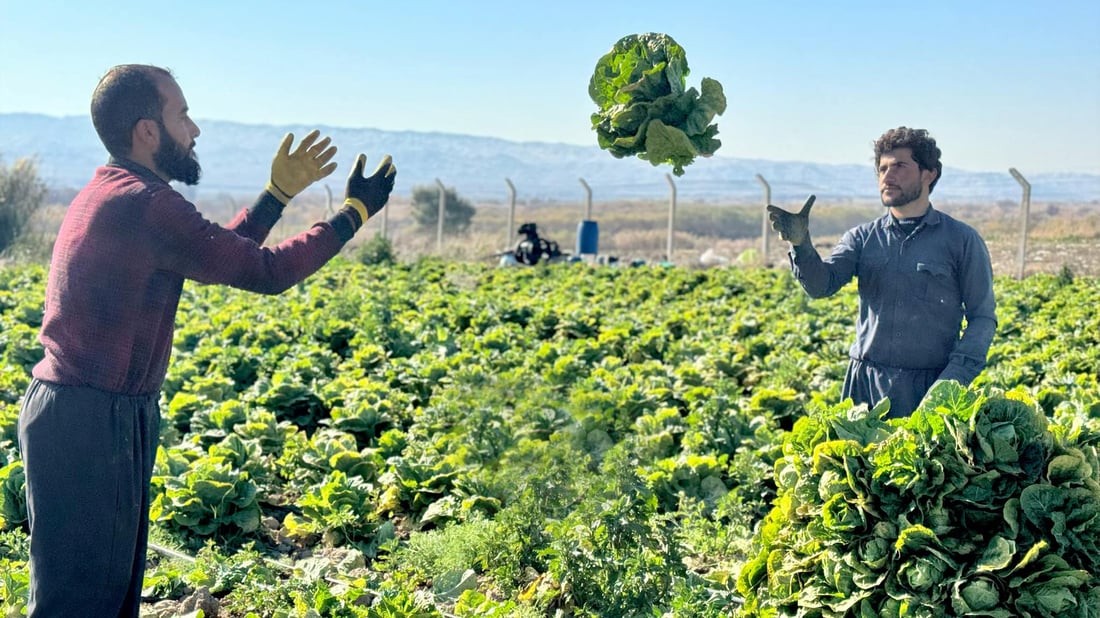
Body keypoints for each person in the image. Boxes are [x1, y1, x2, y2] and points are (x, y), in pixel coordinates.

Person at [16, 64, 396, 616]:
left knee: (105, 600)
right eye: (182, 115)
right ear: (148, 131)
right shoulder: (143, 204)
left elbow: (220, 253)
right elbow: (265, 272)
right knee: (78, 606)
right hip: (90, 420)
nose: (194, 130)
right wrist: (353, 214)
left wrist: (278, 193)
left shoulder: (126, 194)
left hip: (98, 414)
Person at [767, 126, 996, 418]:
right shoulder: (862, 238)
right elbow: (821, 285)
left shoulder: (962, 240)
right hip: (864, 390)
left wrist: (952, 382)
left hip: (930, 390)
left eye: (900, 166)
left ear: (929, 174)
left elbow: (982, 317)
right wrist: (801, 245)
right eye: (882, 168)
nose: (888, 175)